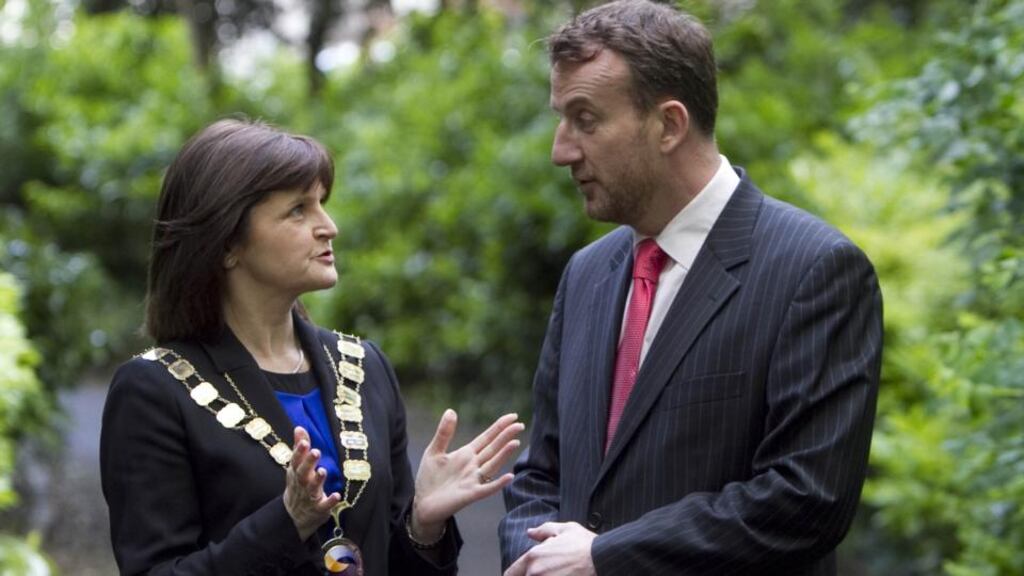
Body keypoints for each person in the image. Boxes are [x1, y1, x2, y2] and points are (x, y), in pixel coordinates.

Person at [499, 1, 883, 575]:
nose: (562, 150)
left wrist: (606, 557)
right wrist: (533, 556)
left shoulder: (815, 269)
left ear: (669, 125)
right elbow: (540, 472)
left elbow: (806, 500)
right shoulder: (586, 274)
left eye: (585, 119)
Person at [100, 118, 524, 576]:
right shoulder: (155, 390)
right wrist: (287, 522)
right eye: (298, 210)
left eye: (321, 203)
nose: (329, 227)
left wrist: (423, 524)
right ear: (226, 244)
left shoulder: (364, 366)